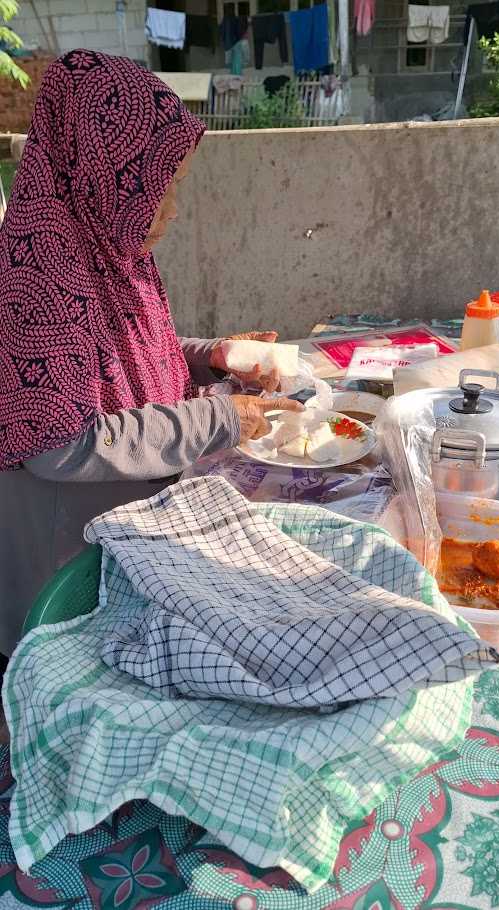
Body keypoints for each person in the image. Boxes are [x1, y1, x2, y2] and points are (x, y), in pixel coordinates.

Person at [0, 49, 303, 658]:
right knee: (57, 694)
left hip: (111, 533)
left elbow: (123, 352)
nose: (170, 208)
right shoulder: (42, 270)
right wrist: (221, 417)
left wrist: (212, 355)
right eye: (161, 186)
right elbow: (61, 445)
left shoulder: (105, 236)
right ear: (108, 171)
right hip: (62, 560)